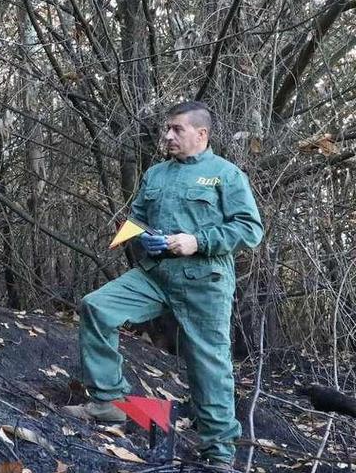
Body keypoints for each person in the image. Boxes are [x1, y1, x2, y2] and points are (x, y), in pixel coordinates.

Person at [63, 101, 263, 468]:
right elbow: (136, 219)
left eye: (176, 130)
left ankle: (218, 453)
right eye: (165, 129)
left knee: (209, 364)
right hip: (155, 275)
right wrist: (141, 237)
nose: (167, 136)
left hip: (205, 281)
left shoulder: (226, 175)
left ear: (201, 134)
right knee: (97, 306)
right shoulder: (155, 174)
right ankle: (108, 402)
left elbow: (249, 230)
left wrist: (197, 241)